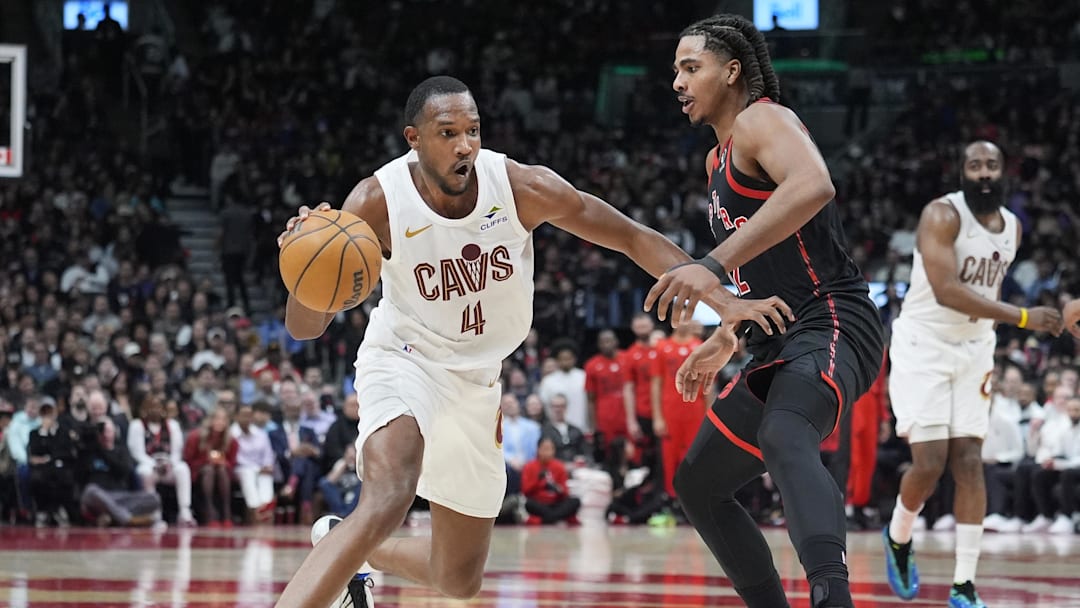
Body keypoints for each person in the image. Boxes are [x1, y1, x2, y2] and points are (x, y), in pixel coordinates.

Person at [275, 75, 784, 608]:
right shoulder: (377, 201)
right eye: (446, 132)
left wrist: (724, 300)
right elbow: (304, 327)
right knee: (388, 495)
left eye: (472, 130)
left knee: (458, 578)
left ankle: (344, 547)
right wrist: (304, 271)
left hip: (479, 379)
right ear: (414, 138)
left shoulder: (520, 187)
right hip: (406, 360)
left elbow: (632, 236)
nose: (464, 144)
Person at [644, 14, 885, 608]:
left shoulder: (763, 119)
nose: (676, 81)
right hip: (776, 338)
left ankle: (832, 596)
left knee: (783, 431)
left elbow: (814, 185)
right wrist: (726, 333)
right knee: (699, 484)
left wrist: (712, 263)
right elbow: (764, 262)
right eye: (675, 69)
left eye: (690, 67)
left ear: (731, 72)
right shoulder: (715, 163)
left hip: (833, 316)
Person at [881, 140, 1063, 608]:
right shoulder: (941, 215)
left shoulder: (1013, 229)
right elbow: (946, 290)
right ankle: (899, 535)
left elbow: (986, 289)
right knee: (929, 462)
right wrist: (1022, 318)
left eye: (992, 166)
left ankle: (964, 584)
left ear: (1005, 172)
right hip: (925, 344)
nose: (983, 173)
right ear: (962, 172)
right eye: (975, 165)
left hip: (975, 348)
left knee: (968, 461)